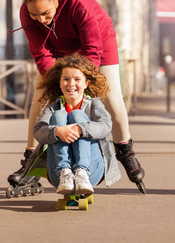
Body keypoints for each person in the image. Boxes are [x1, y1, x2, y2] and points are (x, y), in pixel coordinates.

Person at [8, 0, 145, 192]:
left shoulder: (77, 0)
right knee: (39, 100)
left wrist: (79, 84)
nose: (40, 20)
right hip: (56, 48)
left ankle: (125, 149)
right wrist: (56, 84)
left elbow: (92, 49)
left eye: (45, 13)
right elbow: (41, 53)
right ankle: (30, 162)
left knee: (112, 100)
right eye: (35, 15)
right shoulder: (26, 15)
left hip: (98, 42)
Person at [28, 55, 121, 194]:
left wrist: (80, 128)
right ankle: (65, 172)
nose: (71, 84)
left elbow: (106, 126)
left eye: (77, 79)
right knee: (59, 116)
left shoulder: (94, 105)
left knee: (77, 115)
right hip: (58, 174)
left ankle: (81, 172)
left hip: (92, 171)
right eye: (66, 79)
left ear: (86, 83)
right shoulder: (52, 108)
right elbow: (38, 131)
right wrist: (57, 131)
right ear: (59, 83)